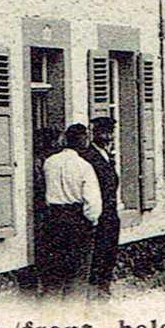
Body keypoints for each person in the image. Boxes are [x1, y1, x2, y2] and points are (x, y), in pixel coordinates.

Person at [41, 124, 101, 298]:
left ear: (65, 139)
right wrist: (92, 221)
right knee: (78, 270)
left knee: (54, 268)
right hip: (76, 219)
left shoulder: (49, 162)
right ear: (83, 141)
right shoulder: (84, 166)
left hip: (54, 217)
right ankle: (73, 310)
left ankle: (51, 310)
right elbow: (92, 201)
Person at [81, 116, 121, 297]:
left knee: (109, 252)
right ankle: (97, 290)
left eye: (110, 133)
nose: (108, 137)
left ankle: (105, 287)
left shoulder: (107, 154)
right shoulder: (89, 156)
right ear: (95, 134)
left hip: (111, 213)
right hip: (100, 213)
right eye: (104, 133)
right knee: (99, 253)